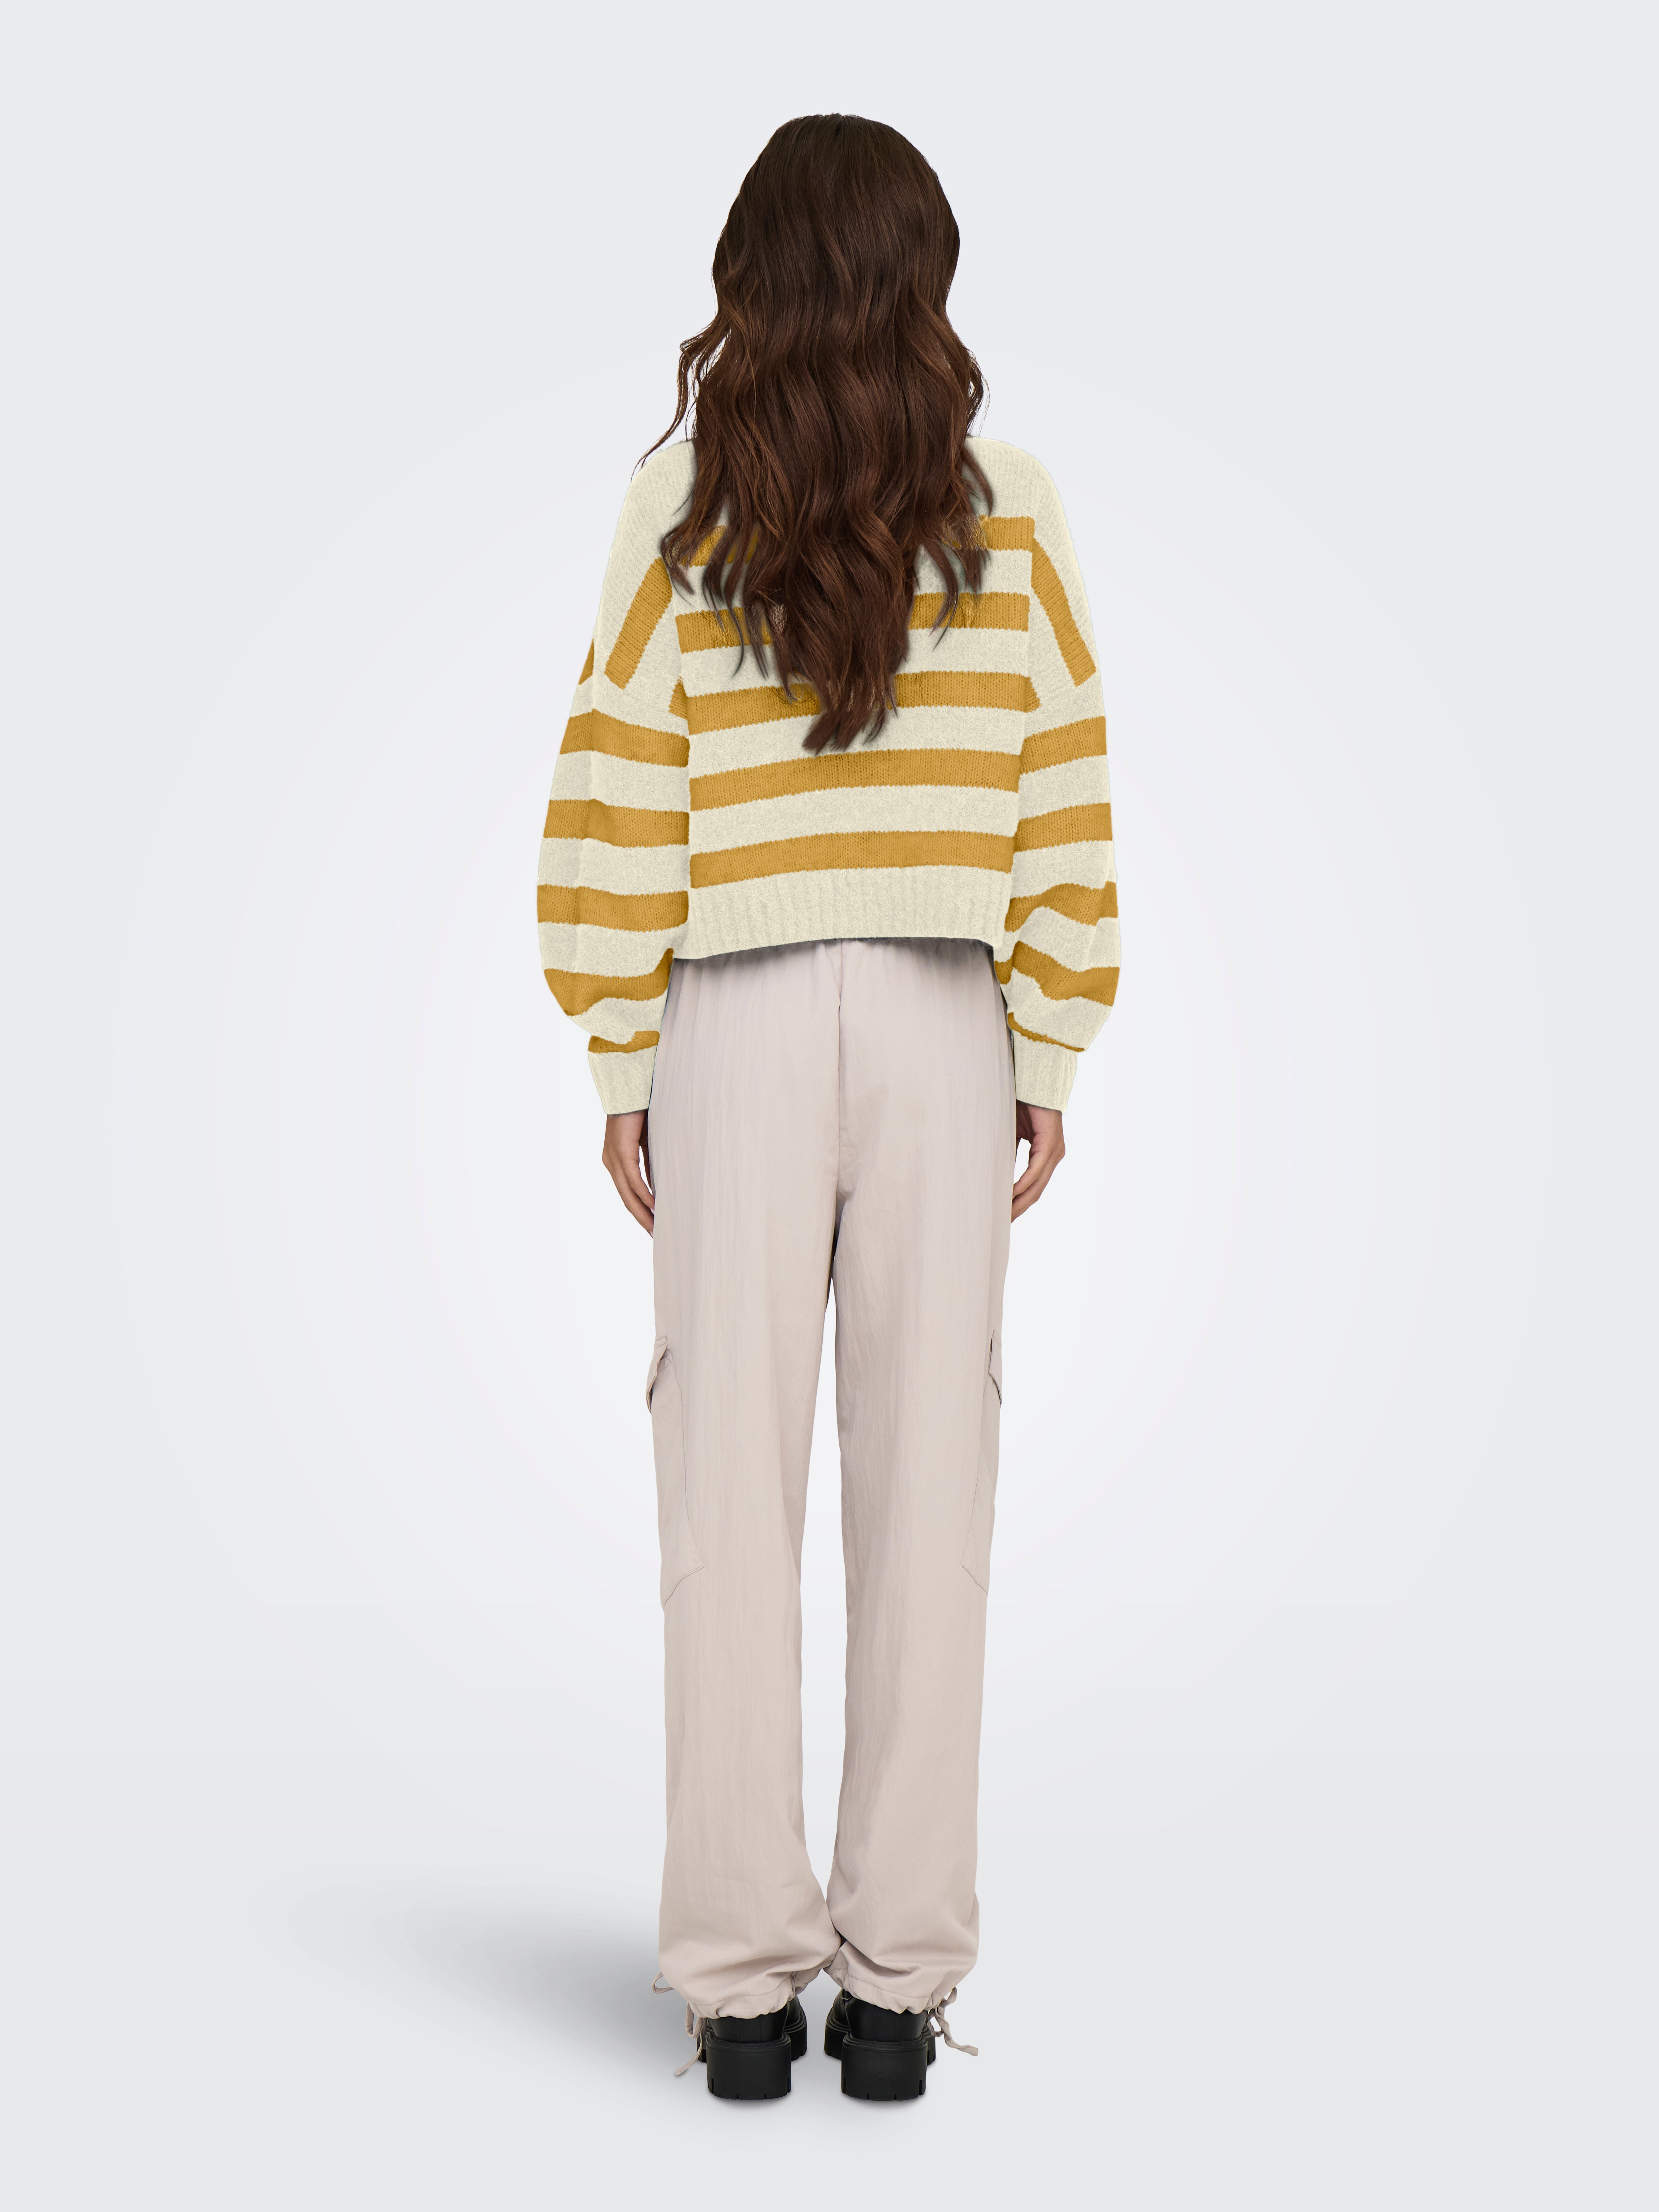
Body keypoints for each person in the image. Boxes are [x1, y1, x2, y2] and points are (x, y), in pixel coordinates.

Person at [537, 113, 1120, 2101]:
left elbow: (617, 775)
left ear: (752, 279)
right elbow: (1061, 766)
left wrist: (623, 1050)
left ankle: (733, 1987)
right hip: (949, 1015)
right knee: (932, 1493)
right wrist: (1047, 1039)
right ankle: (893, 1990)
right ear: (923, 277)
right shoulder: (1010, 503)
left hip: (737, 1012)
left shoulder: (686, 498)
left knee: (724, 1490)